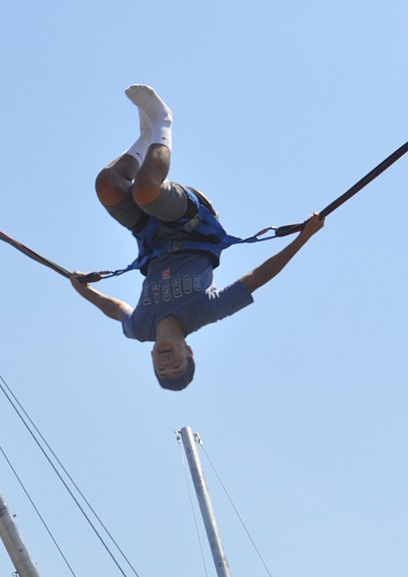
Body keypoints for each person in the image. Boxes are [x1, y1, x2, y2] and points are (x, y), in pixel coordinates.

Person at [70, 84, 325, 390]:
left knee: (107, 185)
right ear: (188, 351)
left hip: (151, 233)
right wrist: (303, 237)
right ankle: (162, 121)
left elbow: (115, 309)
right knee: (146, 191)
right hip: (191, 223)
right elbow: (258, 276)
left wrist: (81, 288)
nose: (167, 363)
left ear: (151, 357)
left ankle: (145, 136)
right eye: (176, 364)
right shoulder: (205, 312)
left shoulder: (140, 327)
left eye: (162, 369)